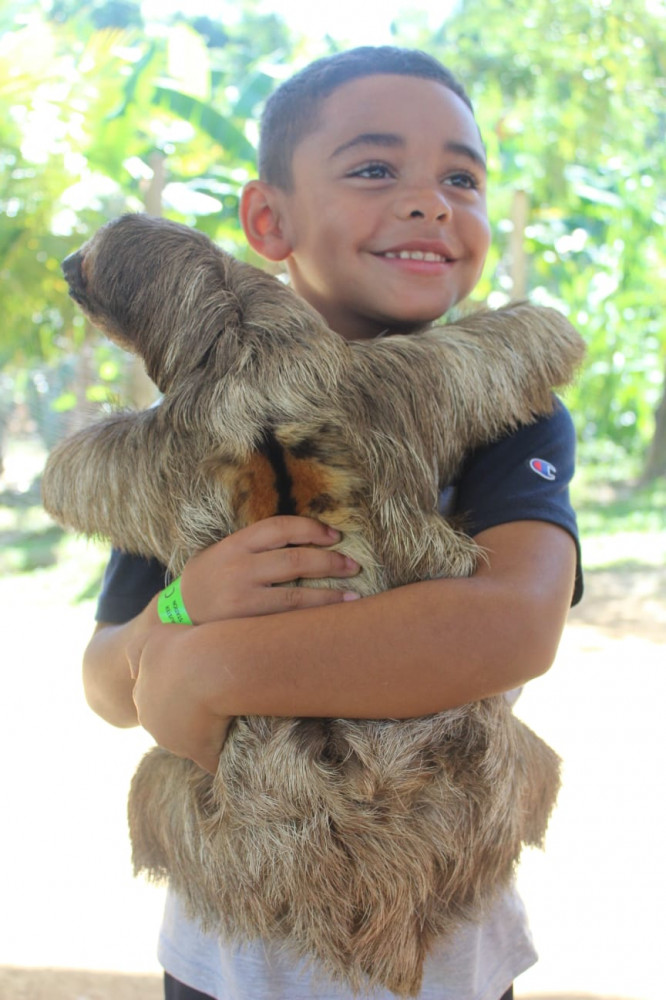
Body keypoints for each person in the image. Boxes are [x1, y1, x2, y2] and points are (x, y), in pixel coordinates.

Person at [84, 46, 582, 1000]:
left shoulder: (505, 403)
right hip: (230, 944)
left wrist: (205, 666)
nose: (431, 201)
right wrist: (179, 613)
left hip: (442, 942)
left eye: (461, 178)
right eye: (373, 168)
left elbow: (517, 623)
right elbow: (108, 677)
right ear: (270, 220)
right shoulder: (198, 430)